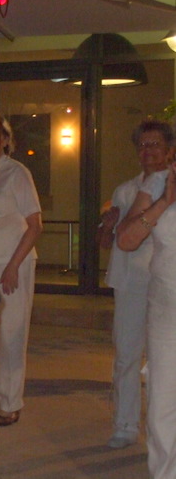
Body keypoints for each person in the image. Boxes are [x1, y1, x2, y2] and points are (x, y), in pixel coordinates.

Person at [96, 120, 174, 449]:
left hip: (161, 282)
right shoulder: (125, 190)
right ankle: (126, 424)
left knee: (162, 360)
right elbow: (108, 242)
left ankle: (162, 428)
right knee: (126, 355)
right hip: (128, 281)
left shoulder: (169, 185)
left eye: (154, 144)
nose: (147, 151)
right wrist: (108, 226)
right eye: (142, 146)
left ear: (169, 149)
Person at [0, 117, 42, 427]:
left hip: (13, 262)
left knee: (11, 332)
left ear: (5, 140)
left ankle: (10, 403)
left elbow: (35, 225)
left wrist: (13, 265)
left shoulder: (16, 173)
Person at [117, 151, 176, 479]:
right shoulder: (157, 183)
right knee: (163, 399)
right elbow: (126, 240)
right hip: (167, 309)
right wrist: (164, 202)